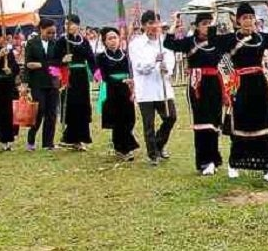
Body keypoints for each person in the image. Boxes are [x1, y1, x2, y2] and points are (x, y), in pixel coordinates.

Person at [214, 3, 268, 182]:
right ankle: (234, 164)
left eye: (251, 17)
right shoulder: (230, 39)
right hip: (240, 85)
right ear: (238, 21)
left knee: (263, 123)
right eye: (244, 18)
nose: (248, 21)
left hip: (259, 84)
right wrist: (215, 14)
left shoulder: (260, 38)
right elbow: (213, 40)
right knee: (241, 124)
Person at [167, 11, 226, 175]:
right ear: (197, 26)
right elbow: (168, 43)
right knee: (202, 122)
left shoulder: (217, 42)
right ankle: (204, 161)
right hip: (197, 85)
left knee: (214, 121)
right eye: (204, 23)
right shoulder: (189, 42)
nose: (207, 26)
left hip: (214, 83)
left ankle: (214, 158)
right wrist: (175, 22)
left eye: (209, 23)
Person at [129, 10, 178, 165]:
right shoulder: (136, 44)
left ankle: (159, 144)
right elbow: (139, 67)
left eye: (156, 22)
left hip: (163, 89)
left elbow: (171, 63)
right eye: (150, 23)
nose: (154, 26)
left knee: (171, 117)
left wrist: (167, 68)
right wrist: (154, 61)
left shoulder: (165, 42)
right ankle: (152, 155)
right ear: (144, 26)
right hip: (146, 90)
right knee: (148, 124)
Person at [95, 26, 140, 160]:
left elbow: (132, 71)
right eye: (109, 38)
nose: (113, 41)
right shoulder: (101, 57)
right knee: (118, 119)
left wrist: (132, 83)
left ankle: (123, 144)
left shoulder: (126, 55)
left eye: (115, 37)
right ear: (104, 41)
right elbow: (102, 75)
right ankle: (122, 148)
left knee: (129, 118)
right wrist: (118, 82)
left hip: (126, 89)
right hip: (112, 89)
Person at [22, 18, 63, 151]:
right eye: (49, 32)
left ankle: (48, 143)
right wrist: (25, 83)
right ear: (41, 30)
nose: (51, 35)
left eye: (53, 33)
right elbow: (28, 64)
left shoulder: (56, 44)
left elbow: (57, 62)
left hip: (53, 82)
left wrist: (41, 65)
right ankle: (31, 139)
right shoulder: (32, 43)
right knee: (39, 110)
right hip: (37, 83)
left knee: (51, 113)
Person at [59, 14, 97, 151]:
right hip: (68, 76)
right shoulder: (62, 41)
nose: (67, 26)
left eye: (70, 24)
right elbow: (53, 60)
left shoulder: (84, 41)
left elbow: (91, 59)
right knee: (71, 105)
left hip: (82, 76)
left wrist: (97, 74)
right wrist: (63, 60)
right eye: (65, 24)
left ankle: (81, 138)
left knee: (83, 105)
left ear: (77, 25)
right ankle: (69, 137)